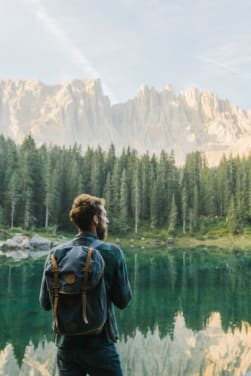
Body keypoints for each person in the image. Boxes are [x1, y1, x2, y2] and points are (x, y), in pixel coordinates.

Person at [39, 193, 132, 376]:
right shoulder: (112, 252)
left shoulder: (56, 254)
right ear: (95, 220)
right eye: (104, 216)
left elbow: (45, 303)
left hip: (66, 347)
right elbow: (123, 301)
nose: (107, 221)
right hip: (100, 346)